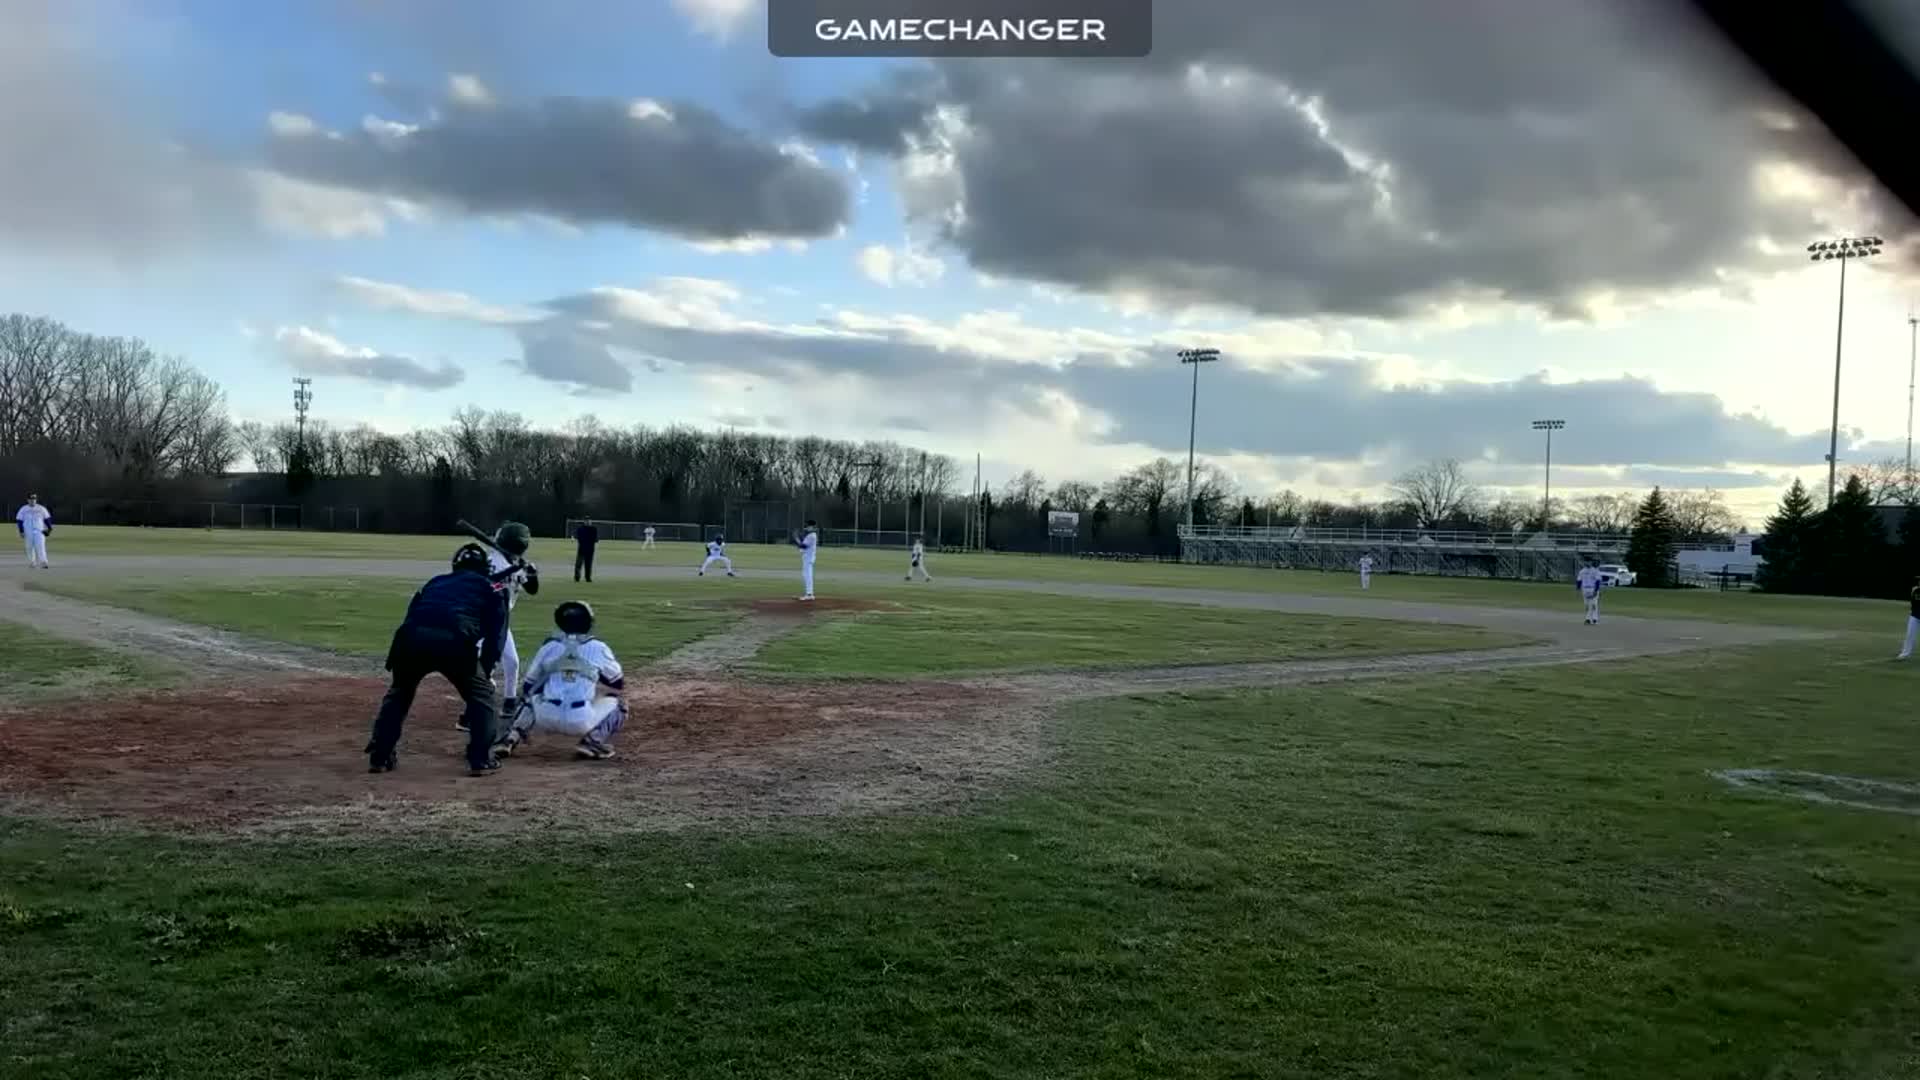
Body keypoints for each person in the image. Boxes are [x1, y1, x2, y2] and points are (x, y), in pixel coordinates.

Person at [366, 543, 508, 776]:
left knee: (399, 694)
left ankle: (379, 756)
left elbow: (411, 616)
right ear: (485, 567)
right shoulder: (492, 586)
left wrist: (396, 658)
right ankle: (480, 759)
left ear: (455, 564)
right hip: (454, 641)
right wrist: (487, 667)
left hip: (410, 639)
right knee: (481, 697)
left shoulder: (436, 581)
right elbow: (496, 634)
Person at [495, 601, 627, 760]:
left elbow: (529, 684)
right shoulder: (599, 647)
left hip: (545, 716)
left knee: (529, 697)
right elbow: (617, 683)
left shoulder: (549, 646)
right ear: (589, 623)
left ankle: (510, 738)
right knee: (619, 704)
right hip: (581, 720)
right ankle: (592, 742)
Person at [460, 521, 540, 733]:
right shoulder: (493, 561)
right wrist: (514, 569)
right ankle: (468, 716)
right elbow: (486, 584)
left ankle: (509, 702)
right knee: (483, 669)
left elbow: (532, 589)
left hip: (499, 620)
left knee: (512, 662)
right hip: (479, 621)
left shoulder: (515, 562)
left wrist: (531, 573)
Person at [15, 494, 51, 569]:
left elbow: (47, 518)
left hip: (39, 531)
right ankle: (32, 562)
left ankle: (43, 562)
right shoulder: (24, 509)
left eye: (34, 499)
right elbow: (19, 520)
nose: (32, 500)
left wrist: (49, 528)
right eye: (30, 499)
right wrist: (21, 531)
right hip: (28, 531)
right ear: (27, 500)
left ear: (36, 500)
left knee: (40, 546)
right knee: (29, 547)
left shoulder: (41, 508)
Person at [793, 519, 819, 600]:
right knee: (806, 575)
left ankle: (809, 594)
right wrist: (799, 540)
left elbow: (803, 546)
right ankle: (809, 594)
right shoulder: (810, 535)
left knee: (807, 575)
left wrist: (796, 538)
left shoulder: (812, 535)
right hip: (807, 558)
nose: (807, 527)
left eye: (808, 526)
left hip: (808, 558)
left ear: (812, 527)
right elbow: (802, 546)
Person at [1575, 560, 1605, 625]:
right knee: (1586, 605)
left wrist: (1596, 590)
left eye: (1589, 561)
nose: (1587, 563)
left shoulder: (1595, 571)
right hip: (1585, 589)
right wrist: (1577, 590)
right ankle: (1587, 619)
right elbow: (1579, 581)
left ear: (1591, 562)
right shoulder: (1582, 571)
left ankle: (1595, 619)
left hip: (1592, 588)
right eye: (1586, 561)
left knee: (1594, 604)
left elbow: (1598, 581)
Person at [1897, 576, 1920, 660]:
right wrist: (1912, 610)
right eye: (1919, 581)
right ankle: (1905, 653)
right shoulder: (1914, 590)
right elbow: (1913, 602)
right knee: (1910, 634)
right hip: (1914, 616)